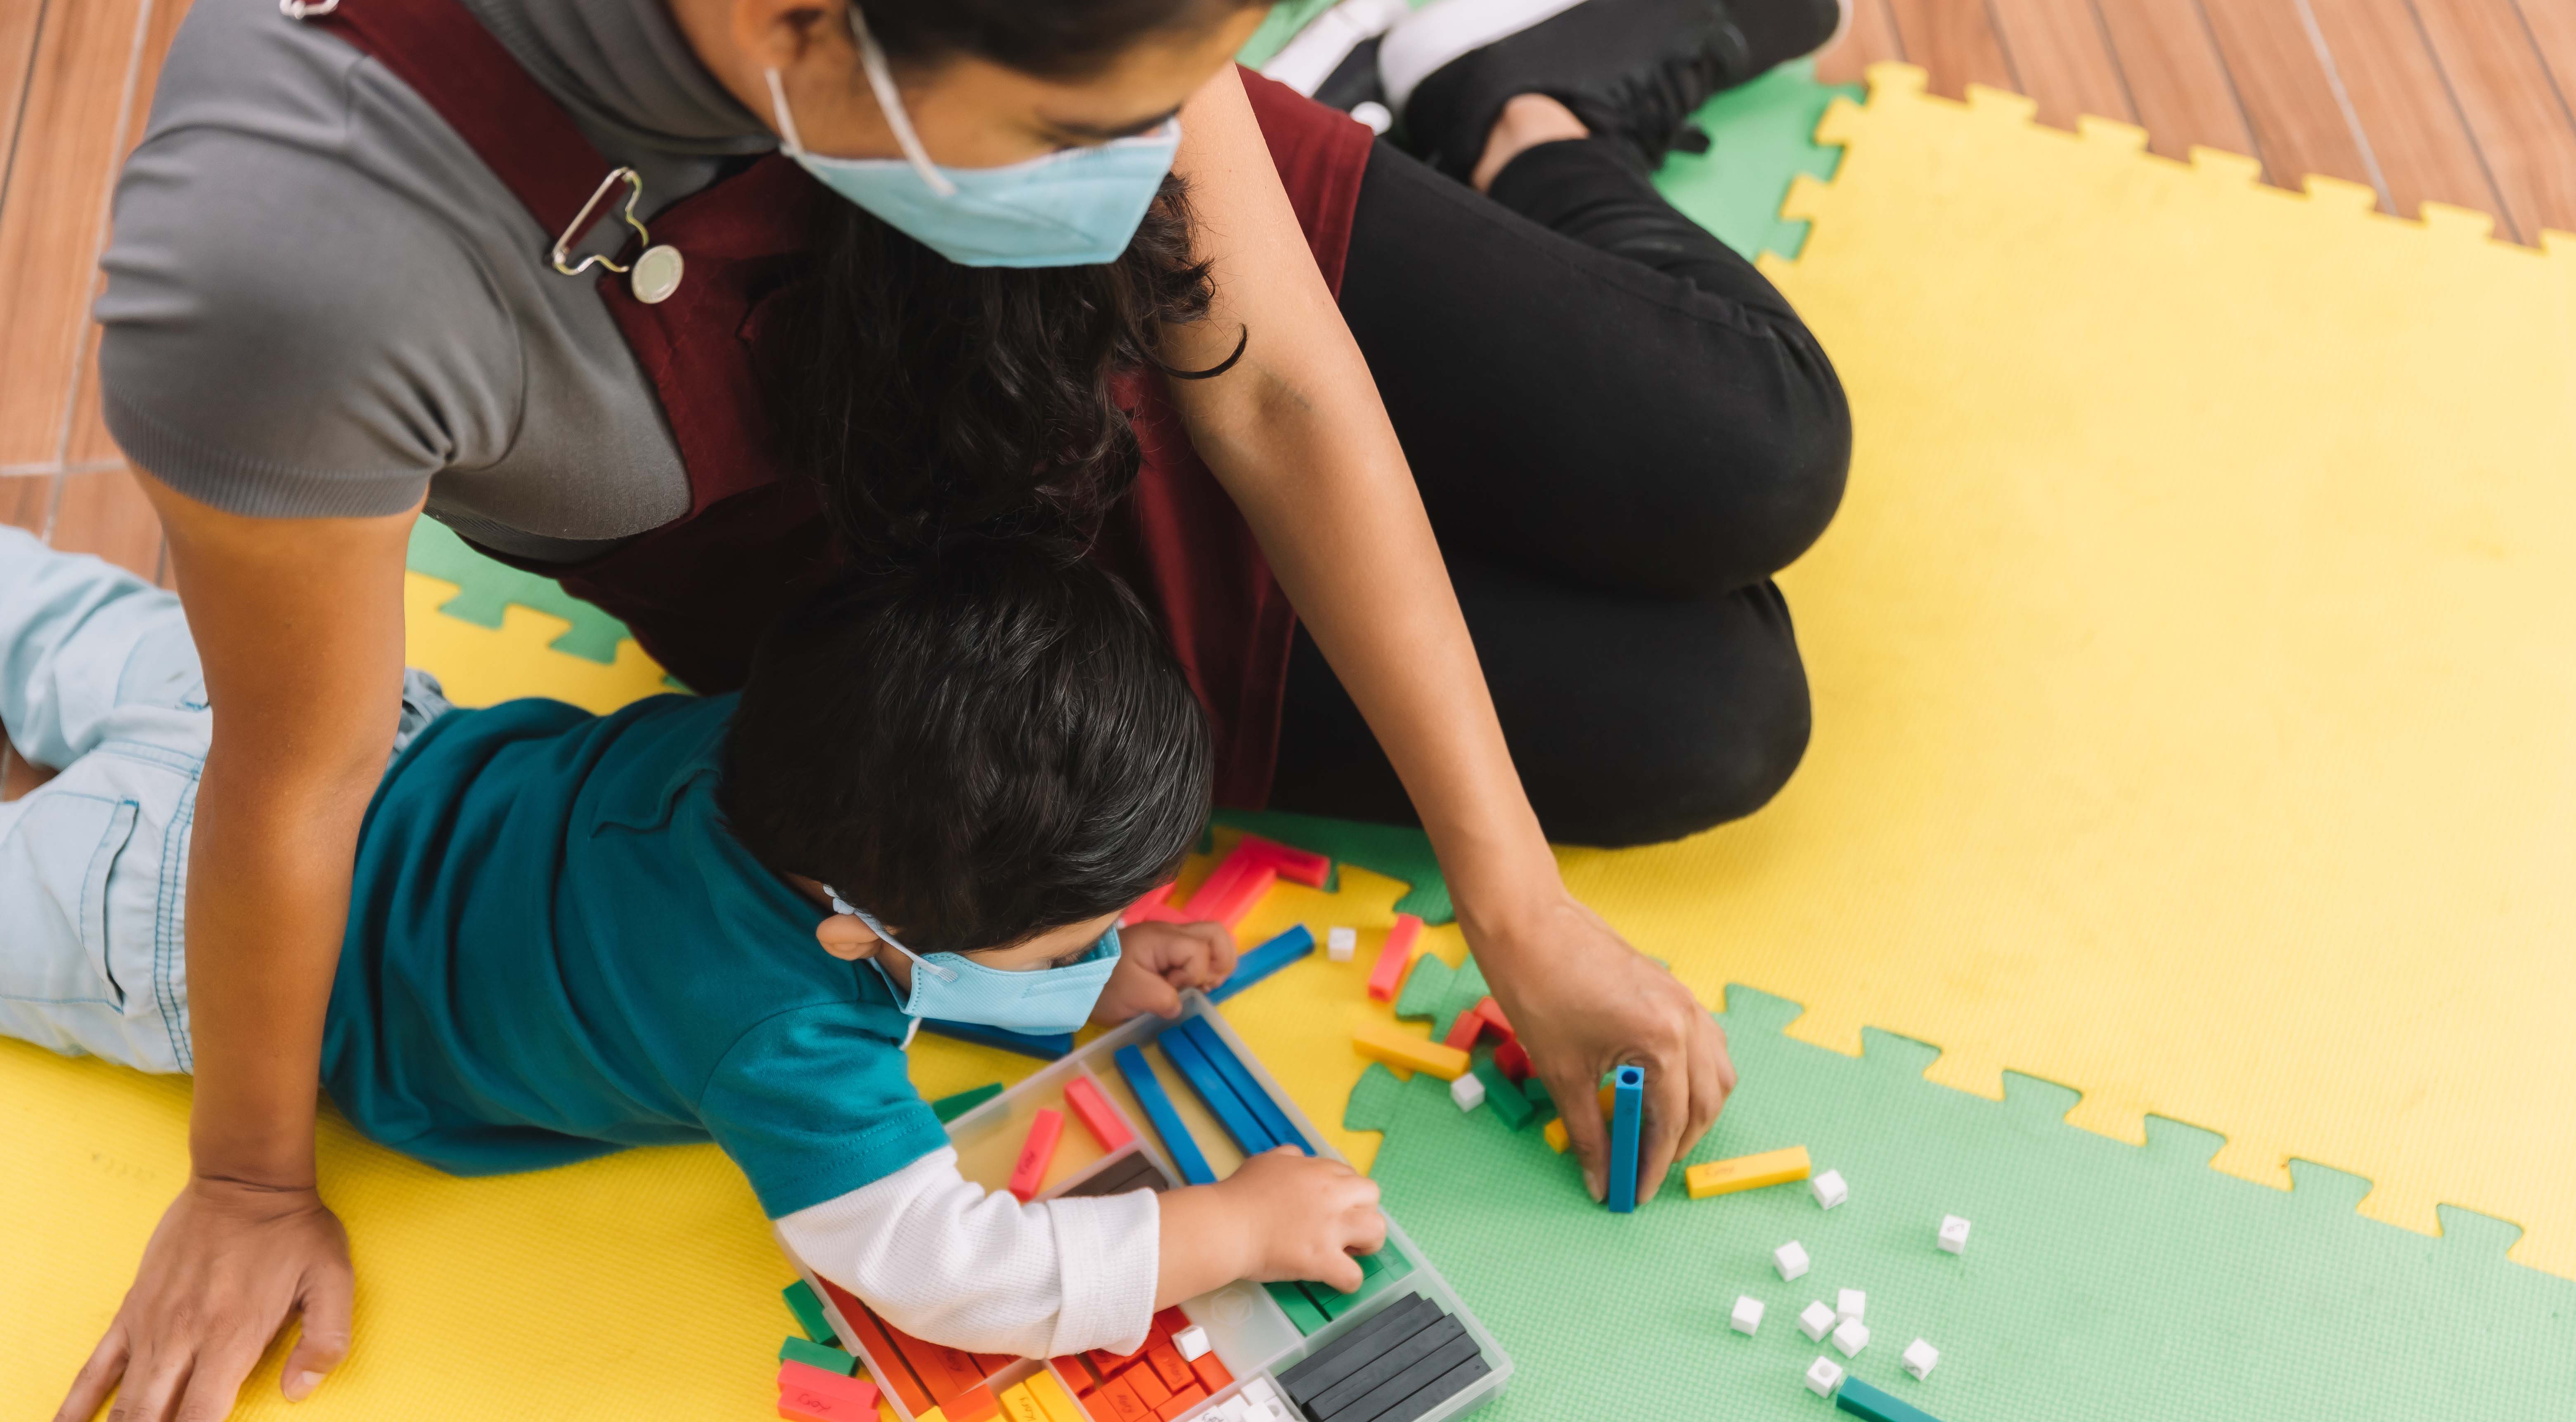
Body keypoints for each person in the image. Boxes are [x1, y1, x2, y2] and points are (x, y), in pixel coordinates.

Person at [74, 0, 1849, 1410]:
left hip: (1071, 351)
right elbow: (297, 771)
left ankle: (1513, 103)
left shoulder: (1096, 97)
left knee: (1758, 450)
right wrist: (247, 1178)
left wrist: (1515, 902)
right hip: (943, 634)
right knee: (1722, 714)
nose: (1152, 146)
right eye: (1097, 130)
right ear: (802, 28)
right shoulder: (297, 266)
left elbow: (1279, 390)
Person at [2, 524, 1389, 1375]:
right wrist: (1231, 1224)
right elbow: (958, 1270)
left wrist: (1082, 980)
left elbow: (959, 872)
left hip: (319, 722)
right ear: (858, 932)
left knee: (44, 611)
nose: (1096, 957)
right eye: (1070, 944)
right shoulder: (786, 1036)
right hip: (175, 923)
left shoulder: (802, 725)